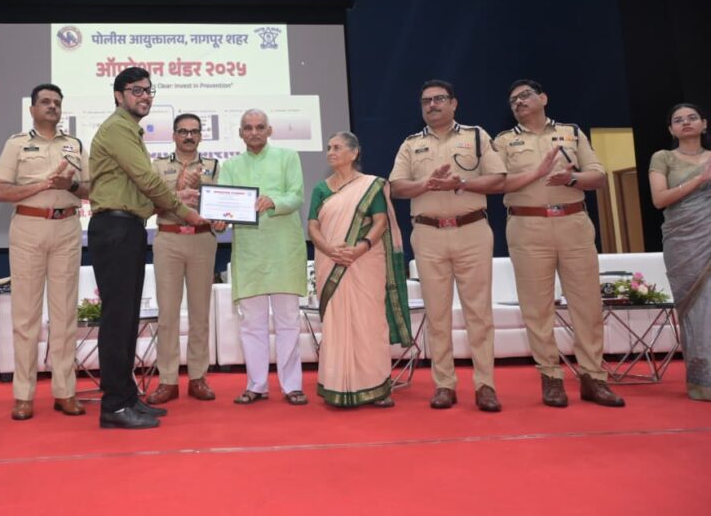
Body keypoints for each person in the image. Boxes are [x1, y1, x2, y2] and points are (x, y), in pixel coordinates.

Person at [493, 79, 624, 408]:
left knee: (587, 304)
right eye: (513, 100)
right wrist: (536, 173)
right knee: (537, 308)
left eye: (525, 95)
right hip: (527, 226)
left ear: (543, 98)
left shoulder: (571, 133)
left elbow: (598, 176)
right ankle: (551, 377)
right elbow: (497, 183)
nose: (518, 102)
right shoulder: (504, 141)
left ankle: (594, 378)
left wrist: (572, 178)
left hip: (573, 223)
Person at [88, 67, 204, 430]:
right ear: (118, 95)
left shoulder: (130, 130)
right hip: (115, 229)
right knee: (117, 319)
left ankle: (127, 398)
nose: (145, 96)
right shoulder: (118, 128)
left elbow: (140, 189)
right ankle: (114, 405)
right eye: (136, 90)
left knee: (126, 319)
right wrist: (185, 211)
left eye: (149, 90)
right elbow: (146, 179)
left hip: (129, 227)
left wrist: (175, 199)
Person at [389, 80, 506, 412]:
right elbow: (396, 187)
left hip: (472, 230)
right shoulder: (411, 144)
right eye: (426, 101)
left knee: (478, 313)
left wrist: (462, 183)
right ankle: (444, 384)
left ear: (454, 103)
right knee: (437, 314)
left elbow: (498, 180)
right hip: (428, 235)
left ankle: (485, 385)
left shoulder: (476, 136)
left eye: (439, 99)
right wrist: (425, 184)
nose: (432, 105)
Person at [0, 83, 90, 420]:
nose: (52, 106)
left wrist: (70, 185)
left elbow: (91, 189)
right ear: (32, 109)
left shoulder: (75, 144)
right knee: (26, 317)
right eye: (45, 102)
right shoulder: (17, 144)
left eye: (57, 102)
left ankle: (65, 391)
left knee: (64, 315)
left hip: (67, 227)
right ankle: (23, 395)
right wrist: (44, 185)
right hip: (29, 227)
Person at [308, 132, 412, 408]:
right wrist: (330, 249)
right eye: (328, 147)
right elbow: (313, 226)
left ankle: (376, 388)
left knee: (369, 323)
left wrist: (360, 248)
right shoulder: (321, 189)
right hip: (330, 261)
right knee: (336, 324)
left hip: (364, 262)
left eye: (337, 147)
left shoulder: (371, 186)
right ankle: (337, 386)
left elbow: (380, 222)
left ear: (354, 153)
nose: (330, 152)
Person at [217, 109, 308, 406]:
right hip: (249, 253)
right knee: (251, 324)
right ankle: (256, 385)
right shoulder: (230, 166)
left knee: (288, 321)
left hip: (284, 251)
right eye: (248, 128)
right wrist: (219, 219)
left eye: (259, 127)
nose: (254, 132)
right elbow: (224, 205)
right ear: (240, 133)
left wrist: (274, 201)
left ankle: (292, 386)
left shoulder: (287, 157)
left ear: (269, 131)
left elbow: (296, 196)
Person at [146, 113, 219, 405]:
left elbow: (220, 204)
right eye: (183, 131)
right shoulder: (158, 166)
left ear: (200, 135)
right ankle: (168, 380)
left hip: (202, 240)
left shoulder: (214, 166)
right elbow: (149, 205)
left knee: (200, 314)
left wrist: (222, 217)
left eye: (194, 131)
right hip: (169, 239)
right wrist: (176, 189)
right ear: (174, 135)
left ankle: (198, 377)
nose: (189, 136)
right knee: (167, 315)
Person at [648, 102, 711, 402]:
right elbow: (659, 199)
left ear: (704, 124)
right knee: (697, 309)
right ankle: (703, 381)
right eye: (678, 120)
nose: (686, 122)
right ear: (671, 130)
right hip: (684, 242)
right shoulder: (663, 158)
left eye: (692, 118)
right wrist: (700, 179)